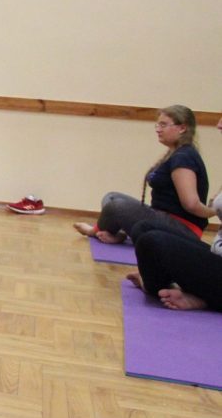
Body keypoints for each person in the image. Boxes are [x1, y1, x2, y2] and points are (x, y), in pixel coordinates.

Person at [125, 113, 222, 311]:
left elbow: (192, 204)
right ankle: (199, 294)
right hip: (216, 254)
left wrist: (210, 212)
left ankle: (205, 298)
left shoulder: (184, 157)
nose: (219, 125)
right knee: (144, 228)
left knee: (151, 241)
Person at [73, 105, 212, 244]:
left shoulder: (183, 158)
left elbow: (191, 204)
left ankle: (94, 231)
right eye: (158, 125)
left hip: (183, 228)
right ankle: (120, 234)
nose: (158, 129)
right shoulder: (178, 153)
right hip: (163, 218)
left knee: (115, 206)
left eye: (163, 125)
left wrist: (214, 211)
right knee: (111, 197)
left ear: (182, 128)